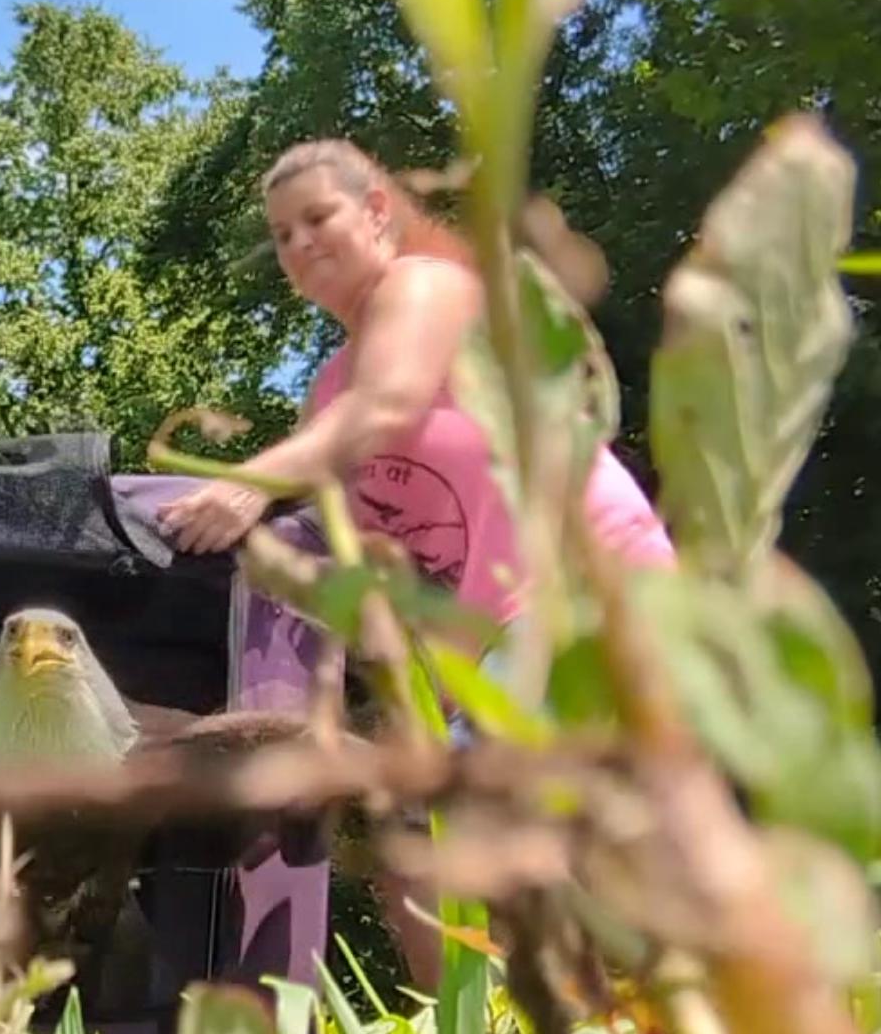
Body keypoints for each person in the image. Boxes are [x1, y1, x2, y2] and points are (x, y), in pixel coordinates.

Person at [154, 138, 674, 985]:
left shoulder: (428, 288)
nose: (299, 244)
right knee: (420, 863)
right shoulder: (326, 391)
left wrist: (245, 486)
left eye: (317, 217)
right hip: (478, 649)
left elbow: (389, 406)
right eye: (282, 235)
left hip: (587, 593)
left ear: (377, 213)